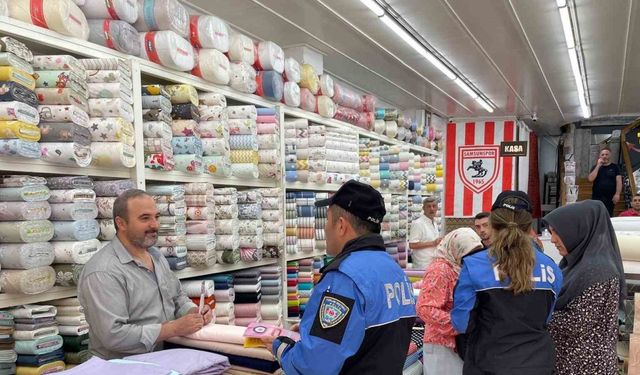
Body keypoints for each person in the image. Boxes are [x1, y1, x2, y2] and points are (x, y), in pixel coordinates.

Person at [266, 180, 416, 374]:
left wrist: (281, 347)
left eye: (327, 221)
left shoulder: (345, 277)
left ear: (341, 225)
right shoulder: (394, 271)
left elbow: (314, 366)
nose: (325, 229)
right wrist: (312, 331)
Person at [78, 189, 212, 359]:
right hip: (121, 368)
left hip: (163, 359)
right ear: (121, 223)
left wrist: (192, 312)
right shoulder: (103, 272)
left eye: (156, 217)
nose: (155, 225)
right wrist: (173, 329)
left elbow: (176, 296)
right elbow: (113, 335)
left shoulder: (156, 256)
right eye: (145, 218)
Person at [451, 191, 563, 375]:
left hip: (489, 362)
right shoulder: (551, 268)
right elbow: (546, 318)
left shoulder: (474, 265)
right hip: (538, 363)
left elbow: (461, 323)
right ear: (529, 227)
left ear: (493, 224)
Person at [543, 200, 625, 375]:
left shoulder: (599, 270)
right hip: (569, 362)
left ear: (578, 229)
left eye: (557, 232)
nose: (552, 239)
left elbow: (577, 323)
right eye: (550, 232)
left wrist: (535, 313)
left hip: (587, 366)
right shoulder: (573, 264)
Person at [417, 228, 483, 375]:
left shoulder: (457, 267)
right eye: (469, 253)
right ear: (456, 249)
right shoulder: (440, 270)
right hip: (441, 344)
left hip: (456, 342)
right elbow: (425, 308)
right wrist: (459, 324)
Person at [409, 197, 442, 269]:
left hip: (433, 263)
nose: (432, 209)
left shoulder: (434, 223)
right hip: (422, 265)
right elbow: (412, 245)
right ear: (423, 208)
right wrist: (432, 243)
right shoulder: (418, 223)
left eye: (434, 206)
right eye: (429, 206)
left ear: (437, 208)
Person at [587, 147, 622, 216]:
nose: (604, 156)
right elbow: (590, 179)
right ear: (600, 156)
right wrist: (598, 166)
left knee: (608, 215)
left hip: (610, 197)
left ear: (610, 155)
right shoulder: (595, 167)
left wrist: (617, 194)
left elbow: (619, 181)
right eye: (602, 154)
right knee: (596, 215)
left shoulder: (615, 167)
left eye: (606, 154)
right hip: (597, 196)